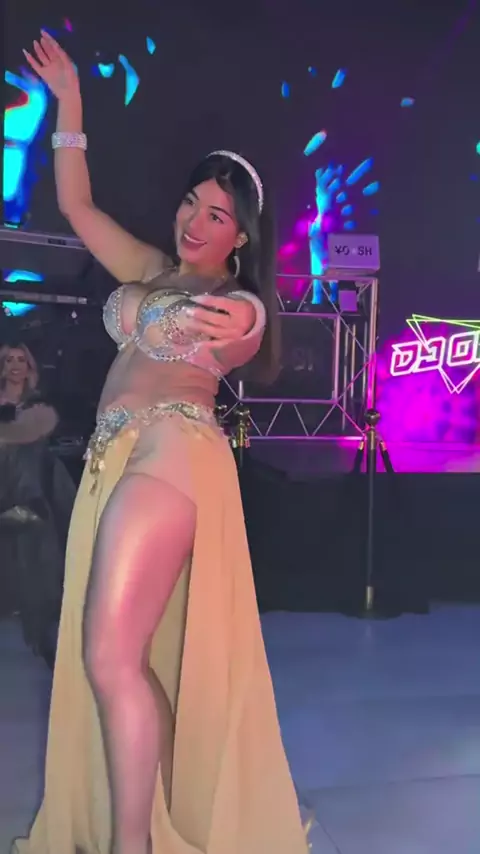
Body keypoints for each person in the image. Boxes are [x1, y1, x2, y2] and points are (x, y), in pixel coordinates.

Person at [13, 31, 310, 854]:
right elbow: (78, 209)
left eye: (218, 215)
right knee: (118, 657)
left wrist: (242, 318)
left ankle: (132, 846)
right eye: (191, 203)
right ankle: (144, 830)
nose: (195, 221)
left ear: (241, 236)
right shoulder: (149, 270)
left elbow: (246, 325)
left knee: (110, 655)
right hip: (114, 458)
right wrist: (71, 101)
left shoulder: (236, 299)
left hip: (172, 453)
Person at [0, 343, 76, 669]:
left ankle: (51, 650)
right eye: (9, 360)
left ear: (29, 367)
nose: (15, 366)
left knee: (39, 577)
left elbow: (31, 435)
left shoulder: (40, 406)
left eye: (21, 360)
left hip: (33, 497)